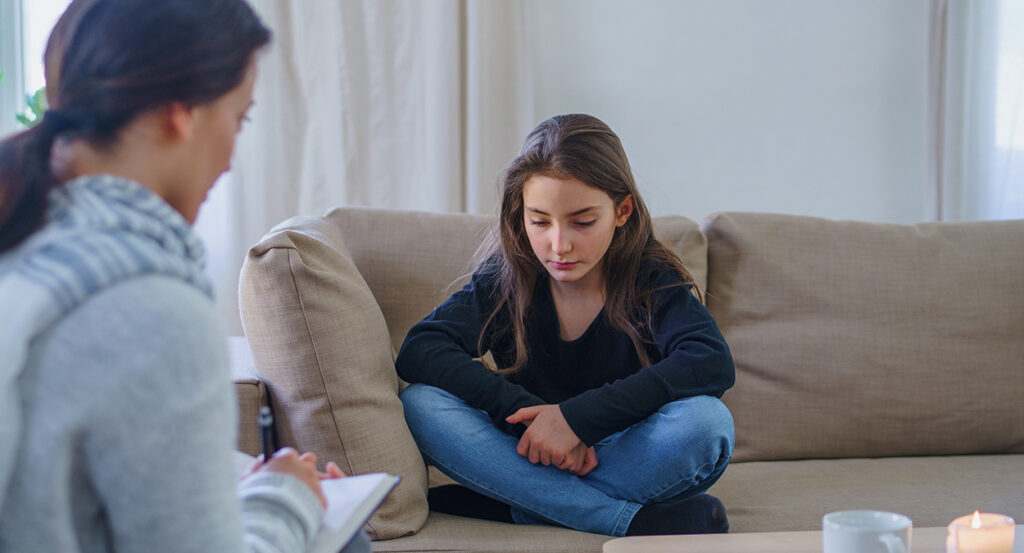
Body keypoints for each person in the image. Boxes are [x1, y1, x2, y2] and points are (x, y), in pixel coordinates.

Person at [0, 1, 369, 551]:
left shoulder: (25, 241)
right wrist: (286, 498)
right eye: (238, 119)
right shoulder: (151, 310)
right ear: (184, 112)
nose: (228, 160)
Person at [395, 113, 736, 537]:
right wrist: (527, 420)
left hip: (621, 453)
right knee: (421, 405)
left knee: (707, 423)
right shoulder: (508, 276)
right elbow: (422, 347)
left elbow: (710, 362)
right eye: (539, 221)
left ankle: (519, 502)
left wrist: (576, 421)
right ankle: (623, 520)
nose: (559, 245)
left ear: (622, 210)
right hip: (524, 450)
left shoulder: (650, 277)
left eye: (582, 221)